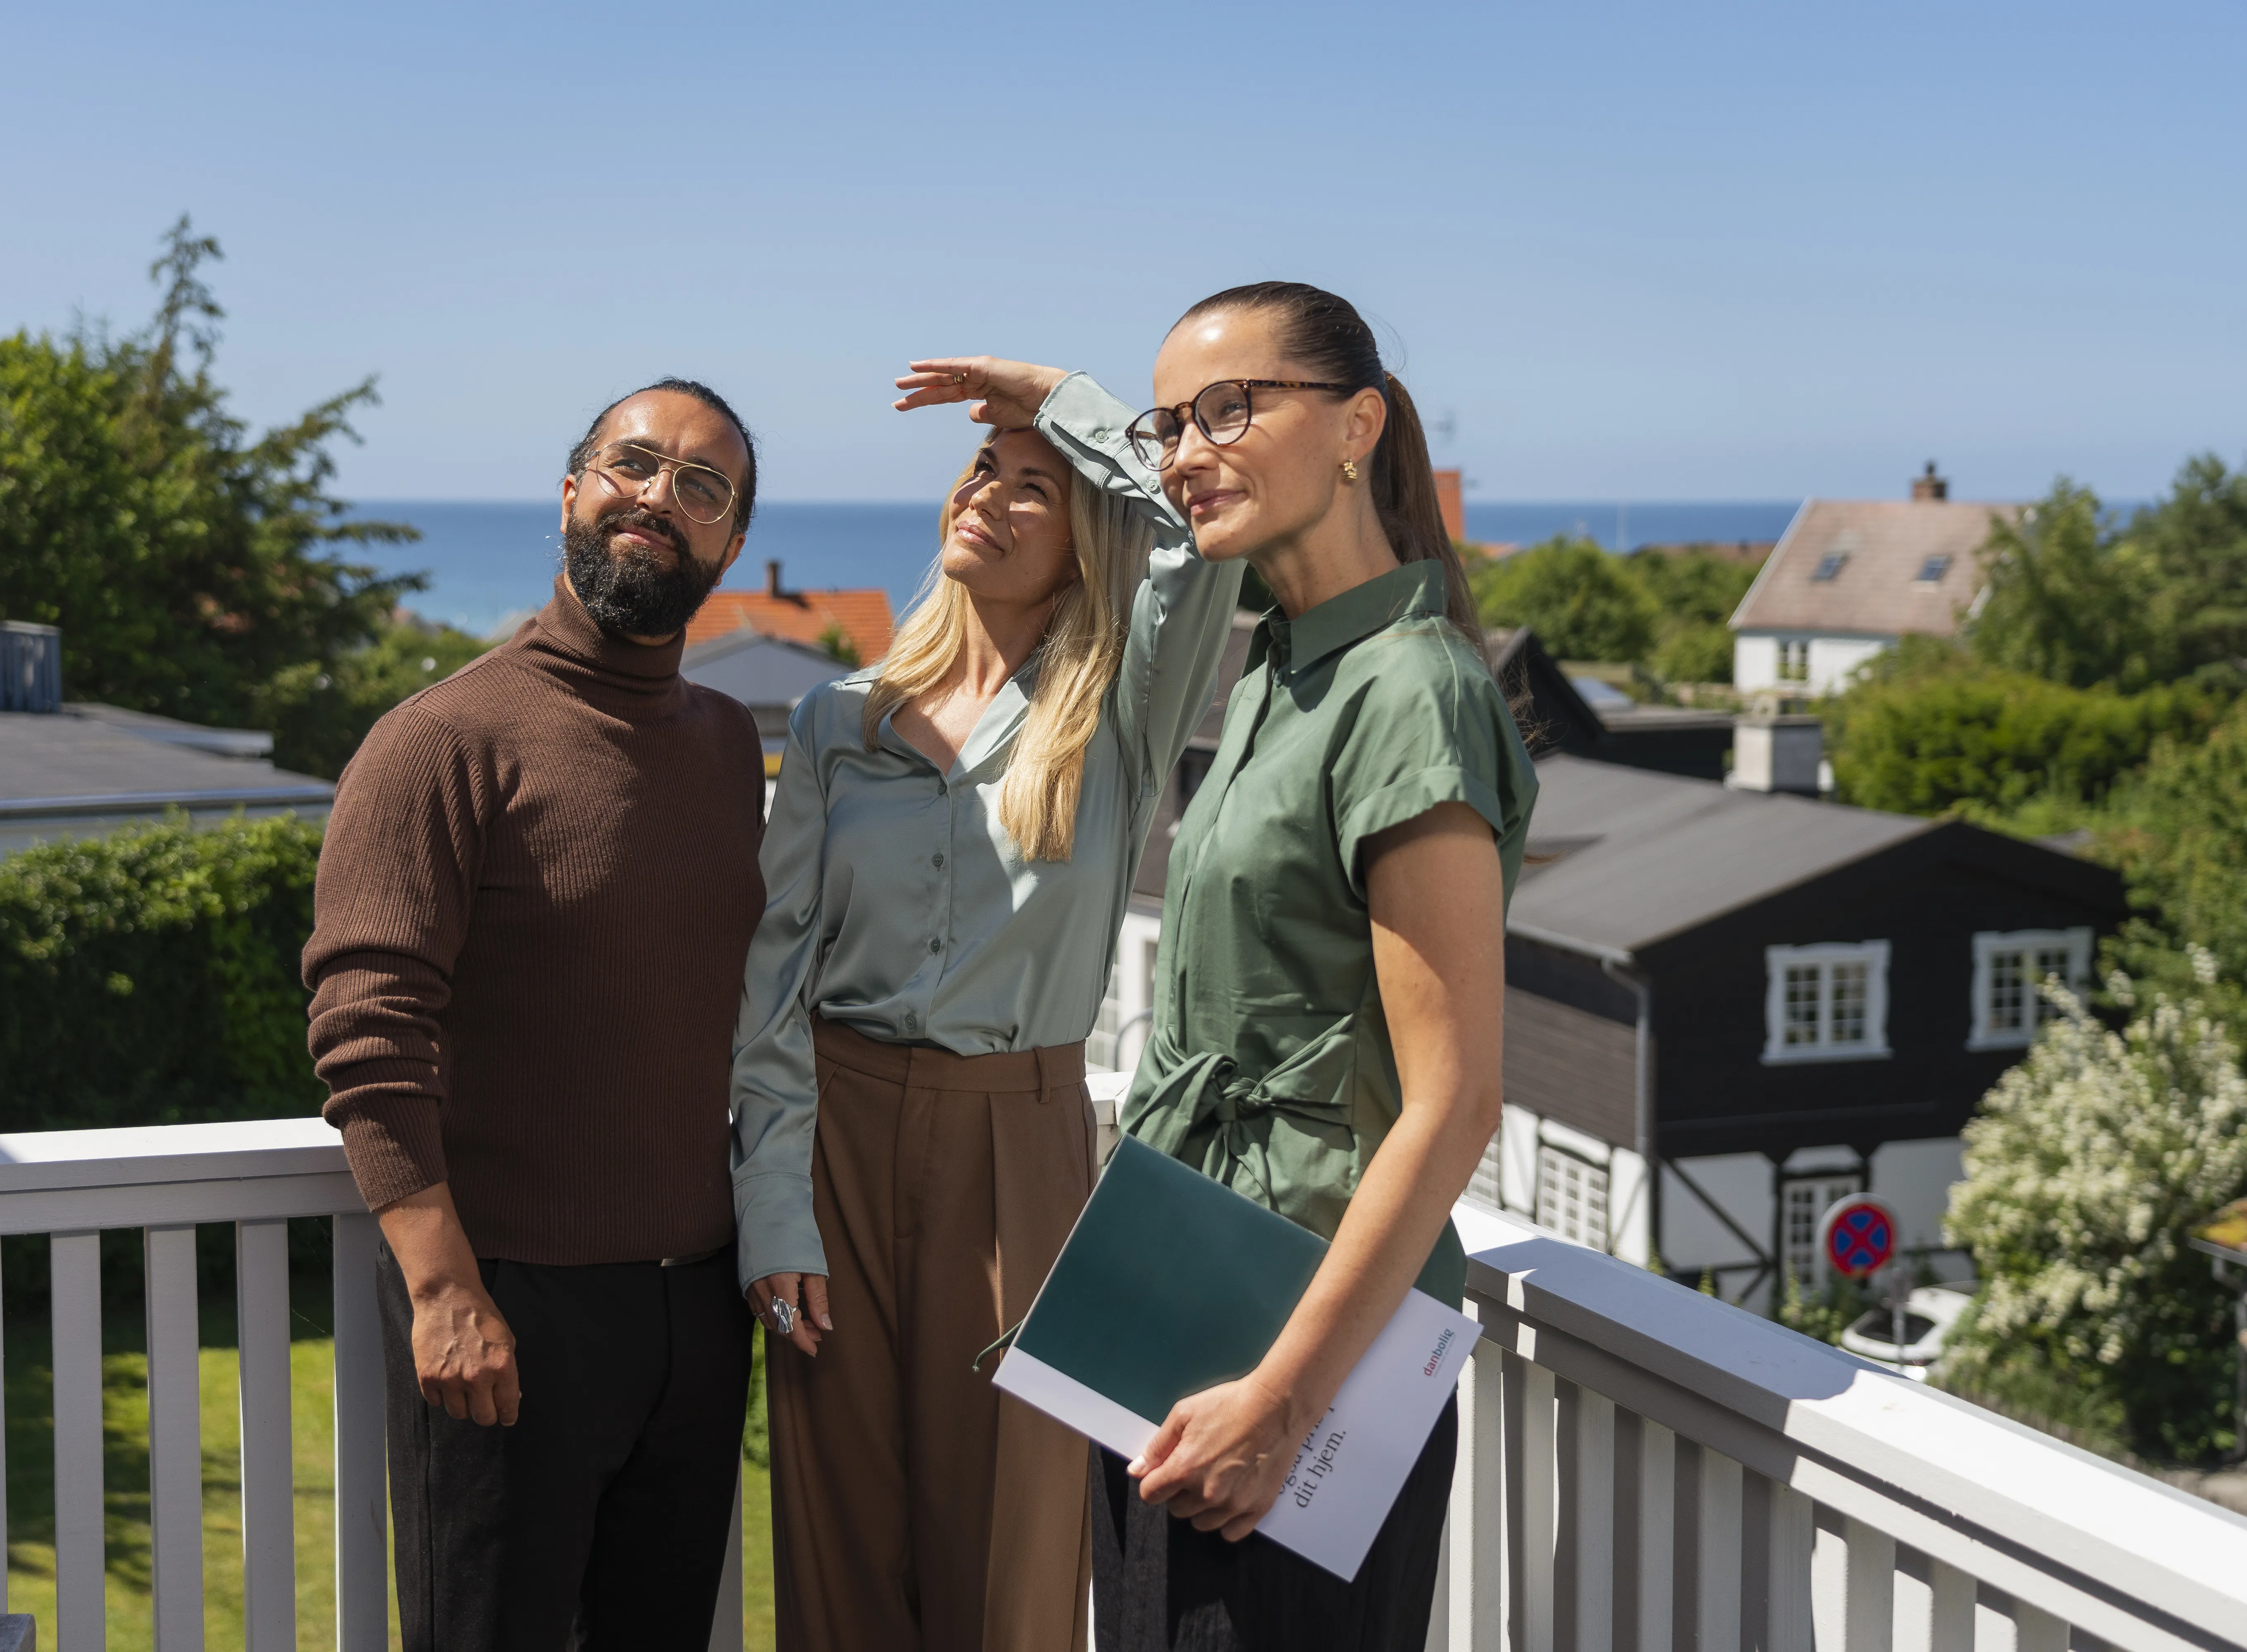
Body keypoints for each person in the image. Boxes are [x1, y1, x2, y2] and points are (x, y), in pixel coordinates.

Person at [728, 362, 1244, 1650]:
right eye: (984, 473)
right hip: (835, 1139)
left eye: (1037, 491)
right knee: (839, 1533)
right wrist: (775, 1209)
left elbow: (1191, 531)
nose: (994, 499)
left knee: (1010, 1544)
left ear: (1084, 549)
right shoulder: (840, 720)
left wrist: (1053, 391)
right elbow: (773, 987)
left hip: (1018, 1144)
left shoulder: (1120, 711)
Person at [1084, 284, 1538, 1651]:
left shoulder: (1410, 689)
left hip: (1298, 1342)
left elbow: (1452, 1101)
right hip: (1183, 1289)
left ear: (1358, 425)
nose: (1185, 452)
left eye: (1231, 407)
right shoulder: (1278, 668)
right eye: (1171, 424)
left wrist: (1283, 1401)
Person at [305, 379, 765, 1651]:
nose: (658, 498)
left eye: (701, 486)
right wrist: (443, 1289)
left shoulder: (730, 744)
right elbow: (366, 1025)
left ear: (726, 547)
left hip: (700, 1310)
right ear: (572, 494)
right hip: (511, 1314)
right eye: (632, 465)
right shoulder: (441, 741)